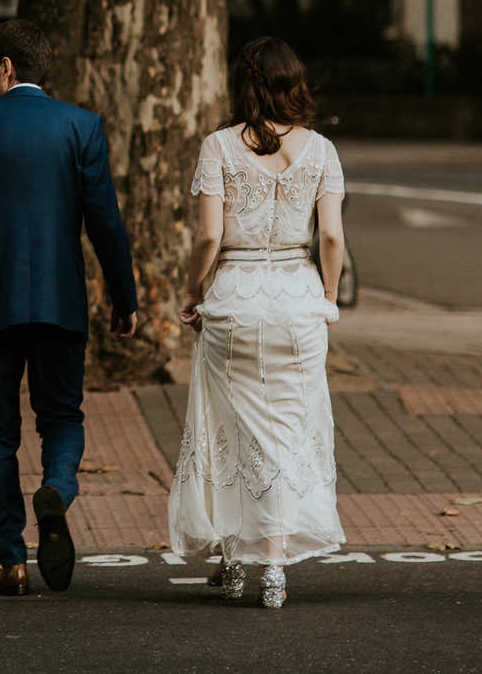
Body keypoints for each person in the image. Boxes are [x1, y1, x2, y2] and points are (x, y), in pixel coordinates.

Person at [0, 18, 141, 598]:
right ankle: (57, 487)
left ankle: (11, 559)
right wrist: (126, 300)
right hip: (59, 300)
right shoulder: (81, 127)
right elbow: (107, 226)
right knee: (63, 417)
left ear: (8, 68)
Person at [167, 36, 348, 609]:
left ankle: (232, 559)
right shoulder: (321, 151)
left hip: (235, 299)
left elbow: (209, 236)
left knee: (228, 426)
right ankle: (273, 562)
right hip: (297, 298)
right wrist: (327, 296)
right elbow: (332, 237)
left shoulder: (219, 146)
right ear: (293, 83)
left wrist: (193, 293)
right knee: (287, 430)